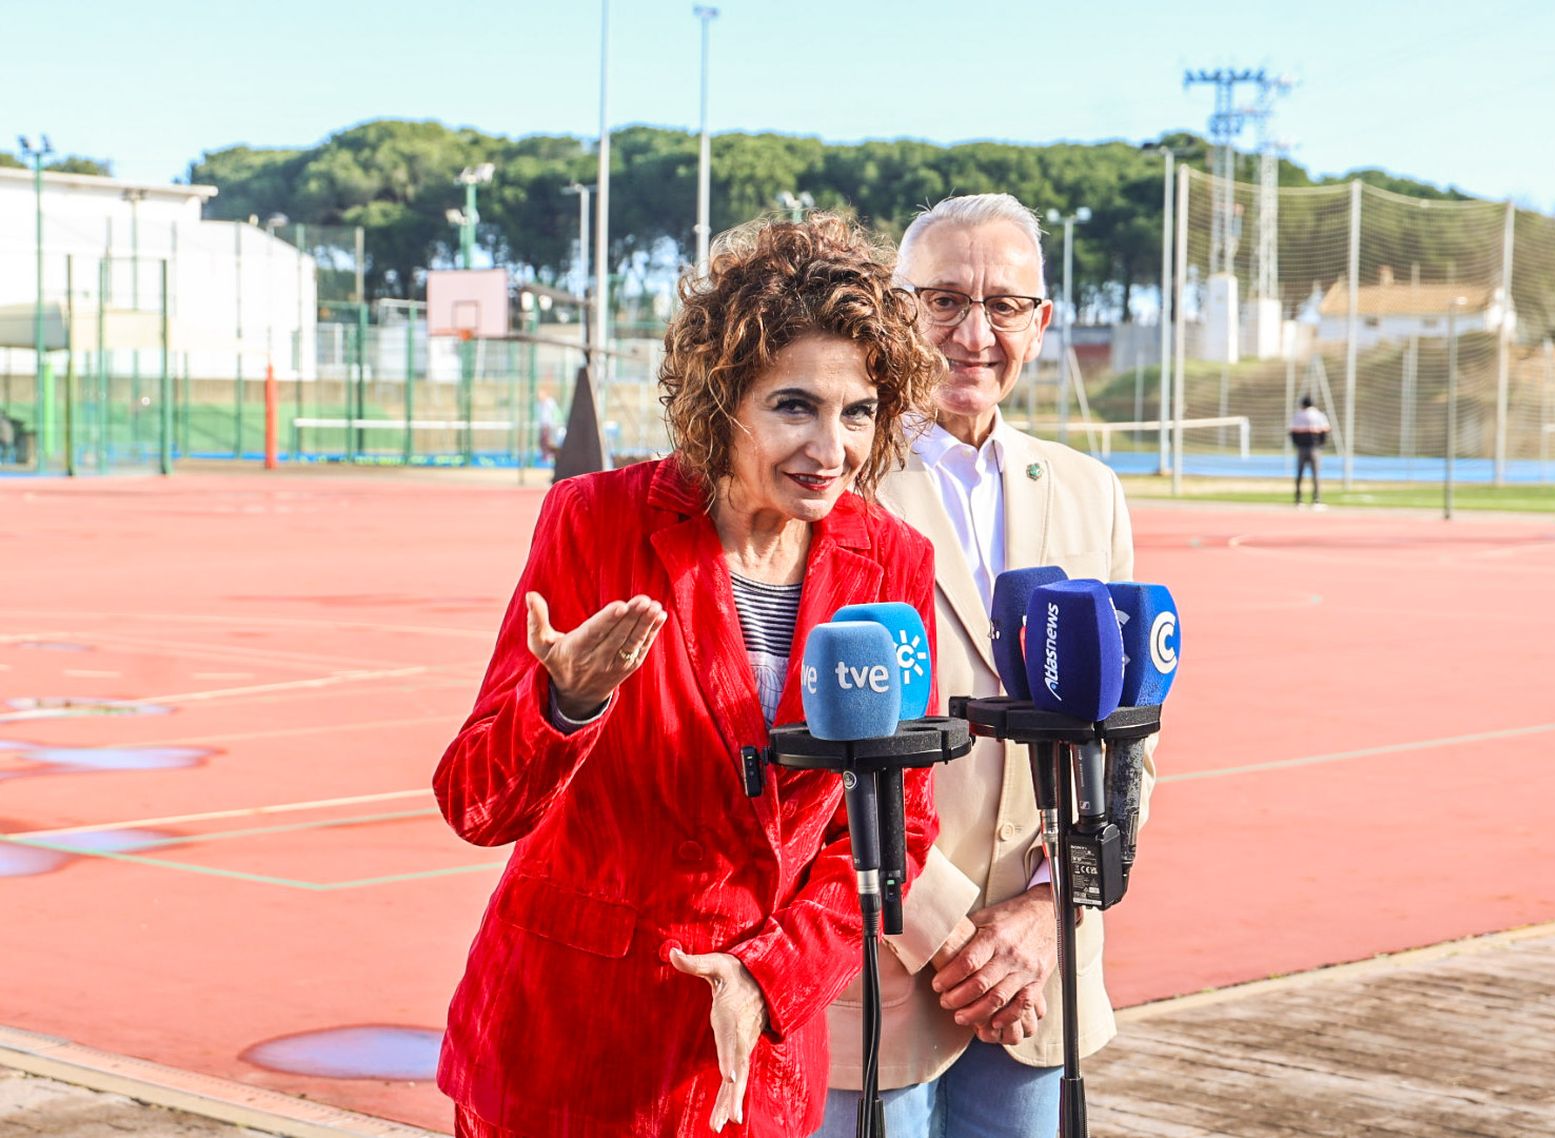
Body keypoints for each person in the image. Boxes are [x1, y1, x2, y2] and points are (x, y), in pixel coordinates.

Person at [433, 213, 948, 1138]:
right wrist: (565, 703)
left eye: (858, 413)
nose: (830, 449)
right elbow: (477, 804)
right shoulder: (595, 522)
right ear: (723, 399)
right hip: (568, 1049)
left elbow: (895, 832)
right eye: (794, 406)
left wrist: (771, 976)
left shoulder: (894, 562)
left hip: (750, 1068)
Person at [817, 194, 1155, 1138]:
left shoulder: (1091, 493)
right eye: (944, 301)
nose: (975, 335)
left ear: (1040, 325)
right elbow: (811, 745)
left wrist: (1052, 907)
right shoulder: (833, 482)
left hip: (1043, 977)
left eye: (1003, 305)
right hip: (878, 977)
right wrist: (952, 938)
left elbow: (1129, 742)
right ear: (896, 312)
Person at [1290, 394, 1331, 509]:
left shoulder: (1298, 415)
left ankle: (1298, 500)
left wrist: (1297, 444)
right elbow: (1325, 430)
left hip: (1301, 448)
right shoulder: (1319, 415)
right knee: (1316, 475)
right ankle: (1316, 500)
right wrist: (1321, 445)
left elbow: (1292, 431)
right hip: (1314, 448)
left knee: (1299, 474)